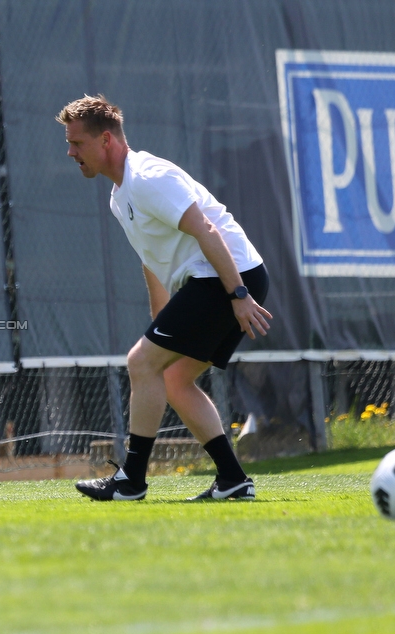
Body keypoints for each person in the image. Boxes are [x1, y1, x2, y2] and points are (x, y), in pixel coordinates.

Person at [57, 95, 272, 501]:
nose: (70, 152)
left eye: (77, 143)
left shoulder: (148, 178)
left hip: (228, 276)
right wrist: (160, 327)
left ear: (106, 140)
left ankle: (132, 480)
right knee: (169, 376)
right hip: (219, 279)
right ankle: (233, 479)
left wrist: (238, 294)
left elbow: (206, 231)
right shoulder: (119, 196)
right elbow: (152, 262)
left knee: (141, 362)